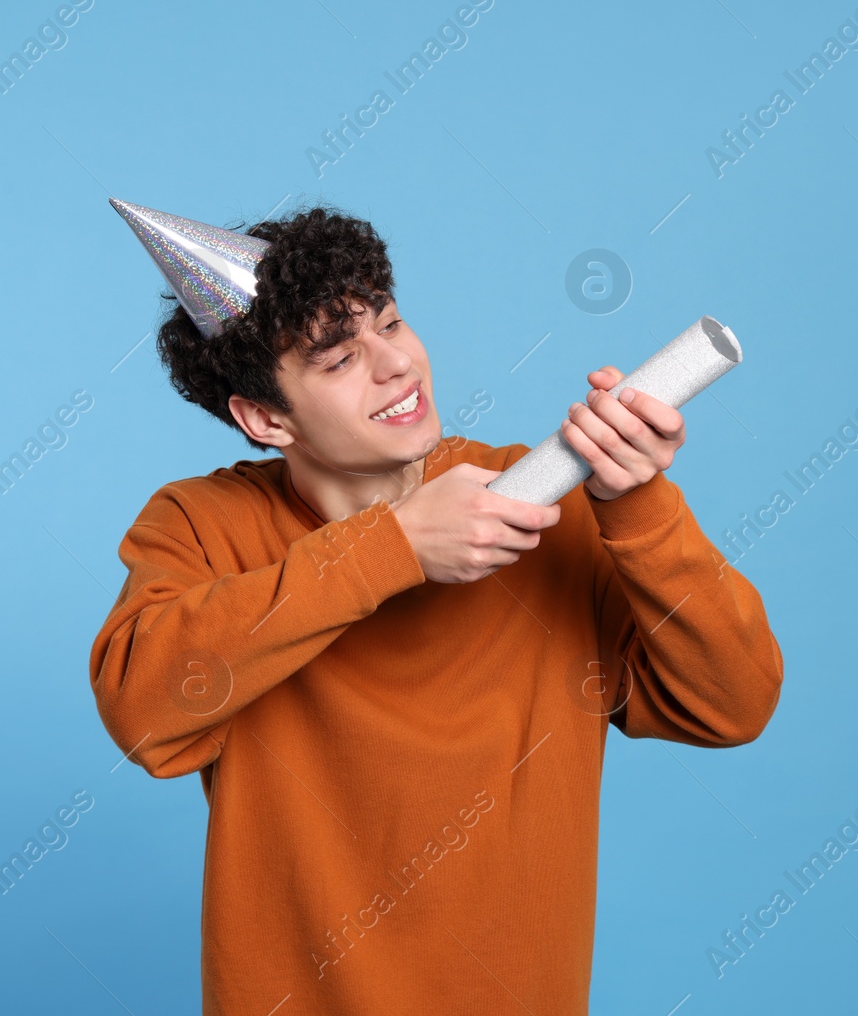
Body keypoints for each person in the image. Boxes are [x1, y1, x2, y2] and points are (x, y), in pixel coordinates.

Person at [89, 202, 784, 1014]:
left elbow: (733, 703)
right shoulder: (201, 525)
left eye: (391, 321)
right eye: (340, 358)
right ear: (265, 417)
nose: (396, 365)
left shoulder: (545, 506)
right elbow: (145, 713)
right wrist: (393, 548)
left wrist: (637, 504)